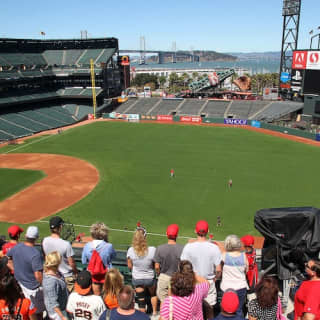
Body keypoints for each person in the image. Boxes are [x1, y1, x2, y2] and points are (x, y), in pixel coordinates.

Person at [181, 220, 222, 319]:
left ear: (195, 231)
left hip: (193, 282)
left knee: (193, 309)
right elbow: (219, 269)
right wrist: (215, 279)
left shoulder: (188, 247)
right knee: (209, 309)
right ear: (208, 231)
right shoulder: (214, 248)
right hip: (208, 283)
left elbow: (183, 266)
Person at [7, 226, 46, 320]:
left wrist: (16, 270)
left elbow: (8, 260)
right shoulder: (36, 253)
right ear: (36, 238)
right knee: (37, 313)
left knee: (25, 310)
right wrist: (45, 286)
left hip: (19, 285)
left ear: (25, 236)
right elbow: (38, 275)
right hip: (33, 289)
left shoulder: (17, 247)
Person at [127, 226, 158, 316]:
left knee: (141, 298)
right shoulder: (152, 249)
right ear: (145, 237)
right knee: (153, 294)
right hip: (150, 278)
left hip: (137, 278)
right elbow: (155, 265)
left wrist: (137, 268)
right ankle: (155, 312)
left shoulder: (130, 250)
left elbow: (129, 266)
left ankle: (142, 315)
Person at [42, 216, 78, 292]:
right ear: (60, 227)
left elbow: (45, 257)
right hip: (66, 277)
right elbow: (72, 263)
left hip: (50, 275)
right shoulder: (66, 244)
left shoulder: (44, 241)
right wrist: (76, 273)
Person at [82, 222, 116, 295]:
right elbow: (113, 257)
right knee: (106, 297)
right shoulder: (109, 246)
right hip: (106, 275)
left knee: (95, 297)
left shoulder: (87, 246)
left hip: (92, 275)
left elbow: (84, 261)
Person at [153, 224, 184, 304]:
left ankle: (165, 315)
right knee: (176, 300)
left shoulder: (160, 248)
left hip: (164, 276)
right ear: (177, 235)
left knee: (164, 301)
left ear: (166, 234)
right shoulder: (182, 248)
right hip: (177, 277)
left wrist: (159, 274)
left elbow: (156, 267)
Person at [220, 235, 248, 316]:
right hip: (240, 287)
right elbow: (246, 270)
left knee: (225, 311)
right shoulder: (243, 256)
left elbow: (220, 269)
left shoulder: (224, 255)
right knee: (238, 310)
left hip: (226, 287)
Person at [43, 251, 69, 320]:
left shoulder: (56, 272)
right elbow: (53, 303)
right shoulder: (50, 281)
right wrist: (62, 317)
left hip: (62, 307)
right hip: (57, 314)